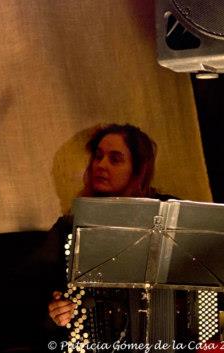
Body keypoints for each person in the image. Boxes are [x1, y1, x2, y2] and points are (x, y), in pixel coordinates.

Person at [45, 124, 188, 348]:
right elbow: (45, 292)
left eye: (115, 159)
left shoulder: (172, 213)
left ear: (137, 169)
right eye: (98, 157)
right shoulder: (70, 227)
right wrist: (57, 309)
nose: (100, 165)